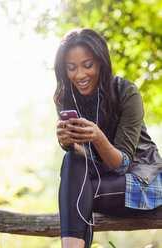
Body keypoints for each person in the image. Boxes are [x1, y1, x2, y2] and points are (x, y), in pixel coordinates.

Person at [54, 28, 162, 248]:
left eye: (87, 65)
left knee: (78, 194)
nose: (80, 75)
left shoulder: (126, 92)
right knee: (72, 160)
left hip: (141, 179)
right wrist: (68, 142)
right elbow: (85, 161)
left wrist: (98, 137)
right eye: (71, 68)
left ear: (101, 63)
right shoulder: (66, 98)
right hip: (100, 180)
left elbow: (120, 165)